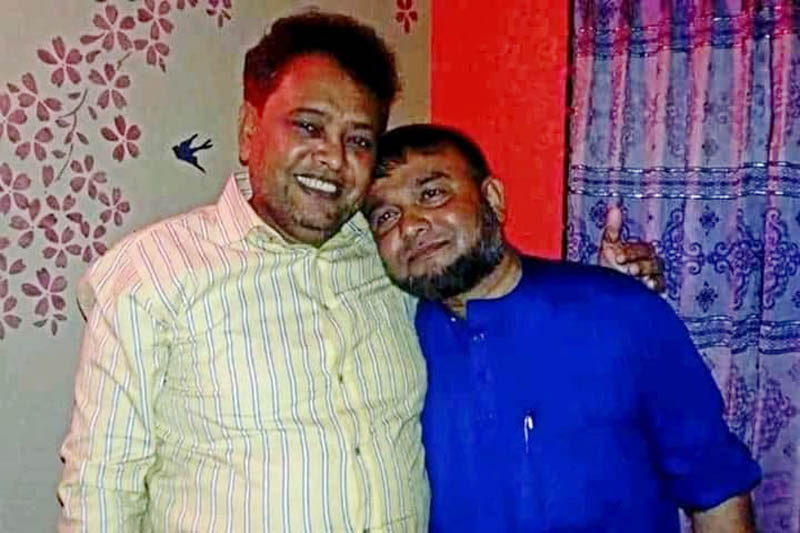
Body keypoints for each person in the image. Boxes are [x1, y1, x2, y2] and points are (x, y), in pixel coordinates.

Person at [58, 10, 662, 532]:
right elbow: (100, 494)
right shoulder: (150, 275)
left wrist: (602, 292)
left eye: (359, 140)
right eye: (308, 126)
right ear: (248, 131)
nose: (333, 158)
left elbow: (491, 295)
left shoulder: (393, 257)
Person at [363, 124, 761, 532]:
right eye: (385, 216)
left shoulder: (620, 314)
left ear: (493, 199)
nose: (409, 225)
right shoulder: (394, 343)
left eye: (432, 193)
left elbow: (716, 487)